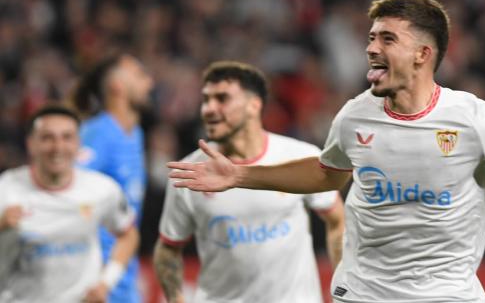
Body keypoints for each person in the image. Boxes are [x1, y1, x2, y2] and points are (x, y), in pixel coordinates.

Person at [168, 0, 485, 302]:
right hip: (367, 290)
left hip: (447, 292)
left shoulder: (471, 119)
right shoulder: (354, 116)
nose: (371, 48)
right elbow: (328, 174)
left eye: (387, 38)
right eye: (371, 37)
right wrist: (242, 175)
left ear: (423, 54)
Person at [154, 61, 344, 303]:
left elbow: (337, 220)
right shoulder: (189, 172)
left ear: (254, 105)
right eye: (206, 100)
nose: (209, 109)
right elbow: (168, 247)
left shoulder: (299, 156)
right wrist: (175, 298)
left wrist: (342, 289)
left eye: (222, 98)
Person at [0, 104, 139, 303]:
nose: (58, 148)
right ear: (31, 144)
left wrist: (105, 283)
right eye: (48, 138)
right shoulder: (6, 189)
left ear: (78, 144)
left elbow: (128, 234)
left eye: (67, 137)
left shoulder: (102, 189)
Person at [72, 54, 154, 303]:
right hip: (95, 284)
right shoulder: (98, 134)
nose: (149, 82)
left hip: (124, 278)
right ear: (117, 86)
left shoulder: (135, 134)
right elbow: (66, 193)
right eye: (139, 75)